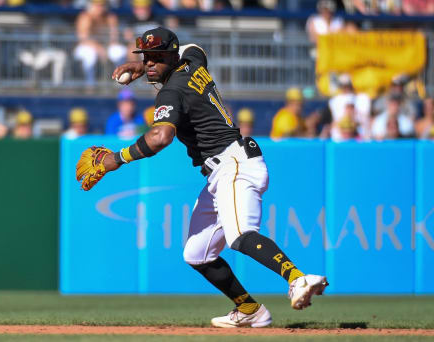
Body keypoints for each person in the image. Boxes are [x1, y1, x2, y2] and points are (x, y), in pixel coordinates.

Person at [76, 27, 328, 328]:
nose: (151, 63)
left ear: (171, 55)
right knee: (197, 254)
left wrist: (115, 159)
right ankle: (250, 309)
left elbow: (160, 138)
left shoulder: (171, 90)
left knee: (240, 235)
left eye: (157, 57)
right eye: (146, 57)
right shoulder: (193, 63)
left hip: (233, 164)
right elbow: (195, 47)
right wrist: (142, 66)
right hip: (223, 169)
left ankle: (298, 279)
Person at [74, 0, 126, 87]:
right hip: (84, 47)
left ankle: (120, 82)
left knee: (119, 51)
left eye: (102, 5)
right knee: (90, 54)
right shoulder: (85, 16)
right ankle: (90, 85)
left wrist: (105, 48)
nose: (99, 8)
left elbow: (114, 38)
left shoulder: (110, 17)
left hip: (105, 46)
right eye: (96, 5)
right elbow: (83, 39)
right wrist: (99, 48)